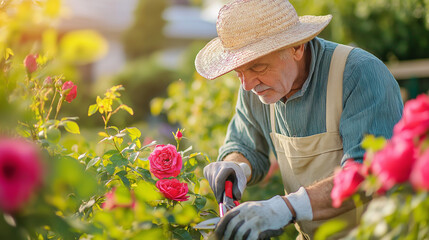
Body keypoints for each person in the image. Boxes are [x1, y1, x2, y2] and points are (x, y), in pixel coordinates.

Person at [195, 0, 403, 239]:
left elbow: (367, 174)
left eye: (258, 67)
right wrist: (235, 165)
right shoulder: (256, 87)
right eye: (238, 72)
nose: (247, 84)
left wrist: (285, 207)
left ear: (296, 47)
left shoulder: (359, 74)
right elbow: (244, 145)